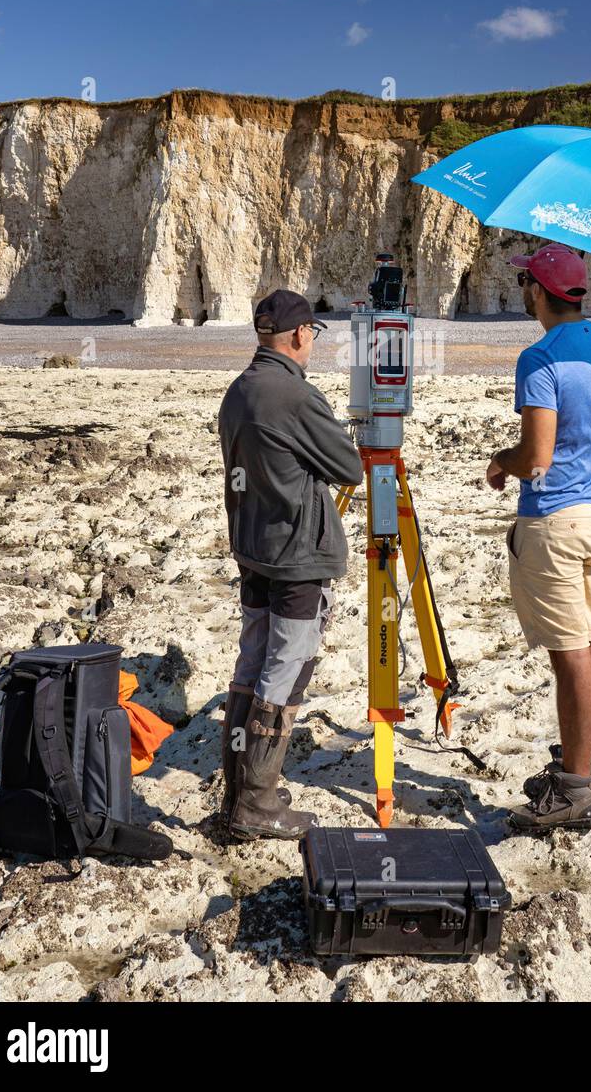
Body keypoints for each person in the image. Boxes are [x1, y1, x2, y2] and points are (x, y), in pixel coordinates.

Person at [485, 244, 591, 833]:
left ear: (538, 291)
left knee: (571, 656)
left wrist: (502, 460)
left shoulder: (539, 357)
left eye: (525, 280)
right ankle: (579, 772)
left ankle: (574, 790)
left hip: (557, 522)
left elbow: (538, 455)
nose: (523, 288)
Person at [218, 289, 364, 840]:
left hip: (253, 550)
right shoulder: (294, 395)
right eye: (313, 336)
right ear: (301, 335)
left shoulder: (240, 391)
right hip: (296, 557)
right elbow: (348, 465)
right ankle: (255, 805)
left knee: (251, 664)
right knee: (284, 671)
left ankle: (239, 792)